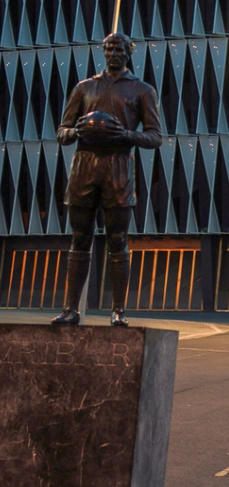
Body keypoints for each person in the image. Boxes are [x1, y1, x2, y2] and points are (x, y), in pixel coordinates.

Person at [51, 33, 165, 327]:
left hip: (119, 167)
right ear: (103, 52)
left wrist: (125, 135)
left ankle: (118, 310)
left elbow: (155, 136)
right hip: (84, 166)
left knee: (117, 239)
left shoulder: (142, 90)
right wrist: (77, 132)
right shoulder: (85, 87)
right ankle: (70, 309)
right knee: (80, 238)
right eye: (109, 49)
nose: (113, 54)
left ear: (129, 52)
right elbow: (62, 131)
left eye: (119, 49)